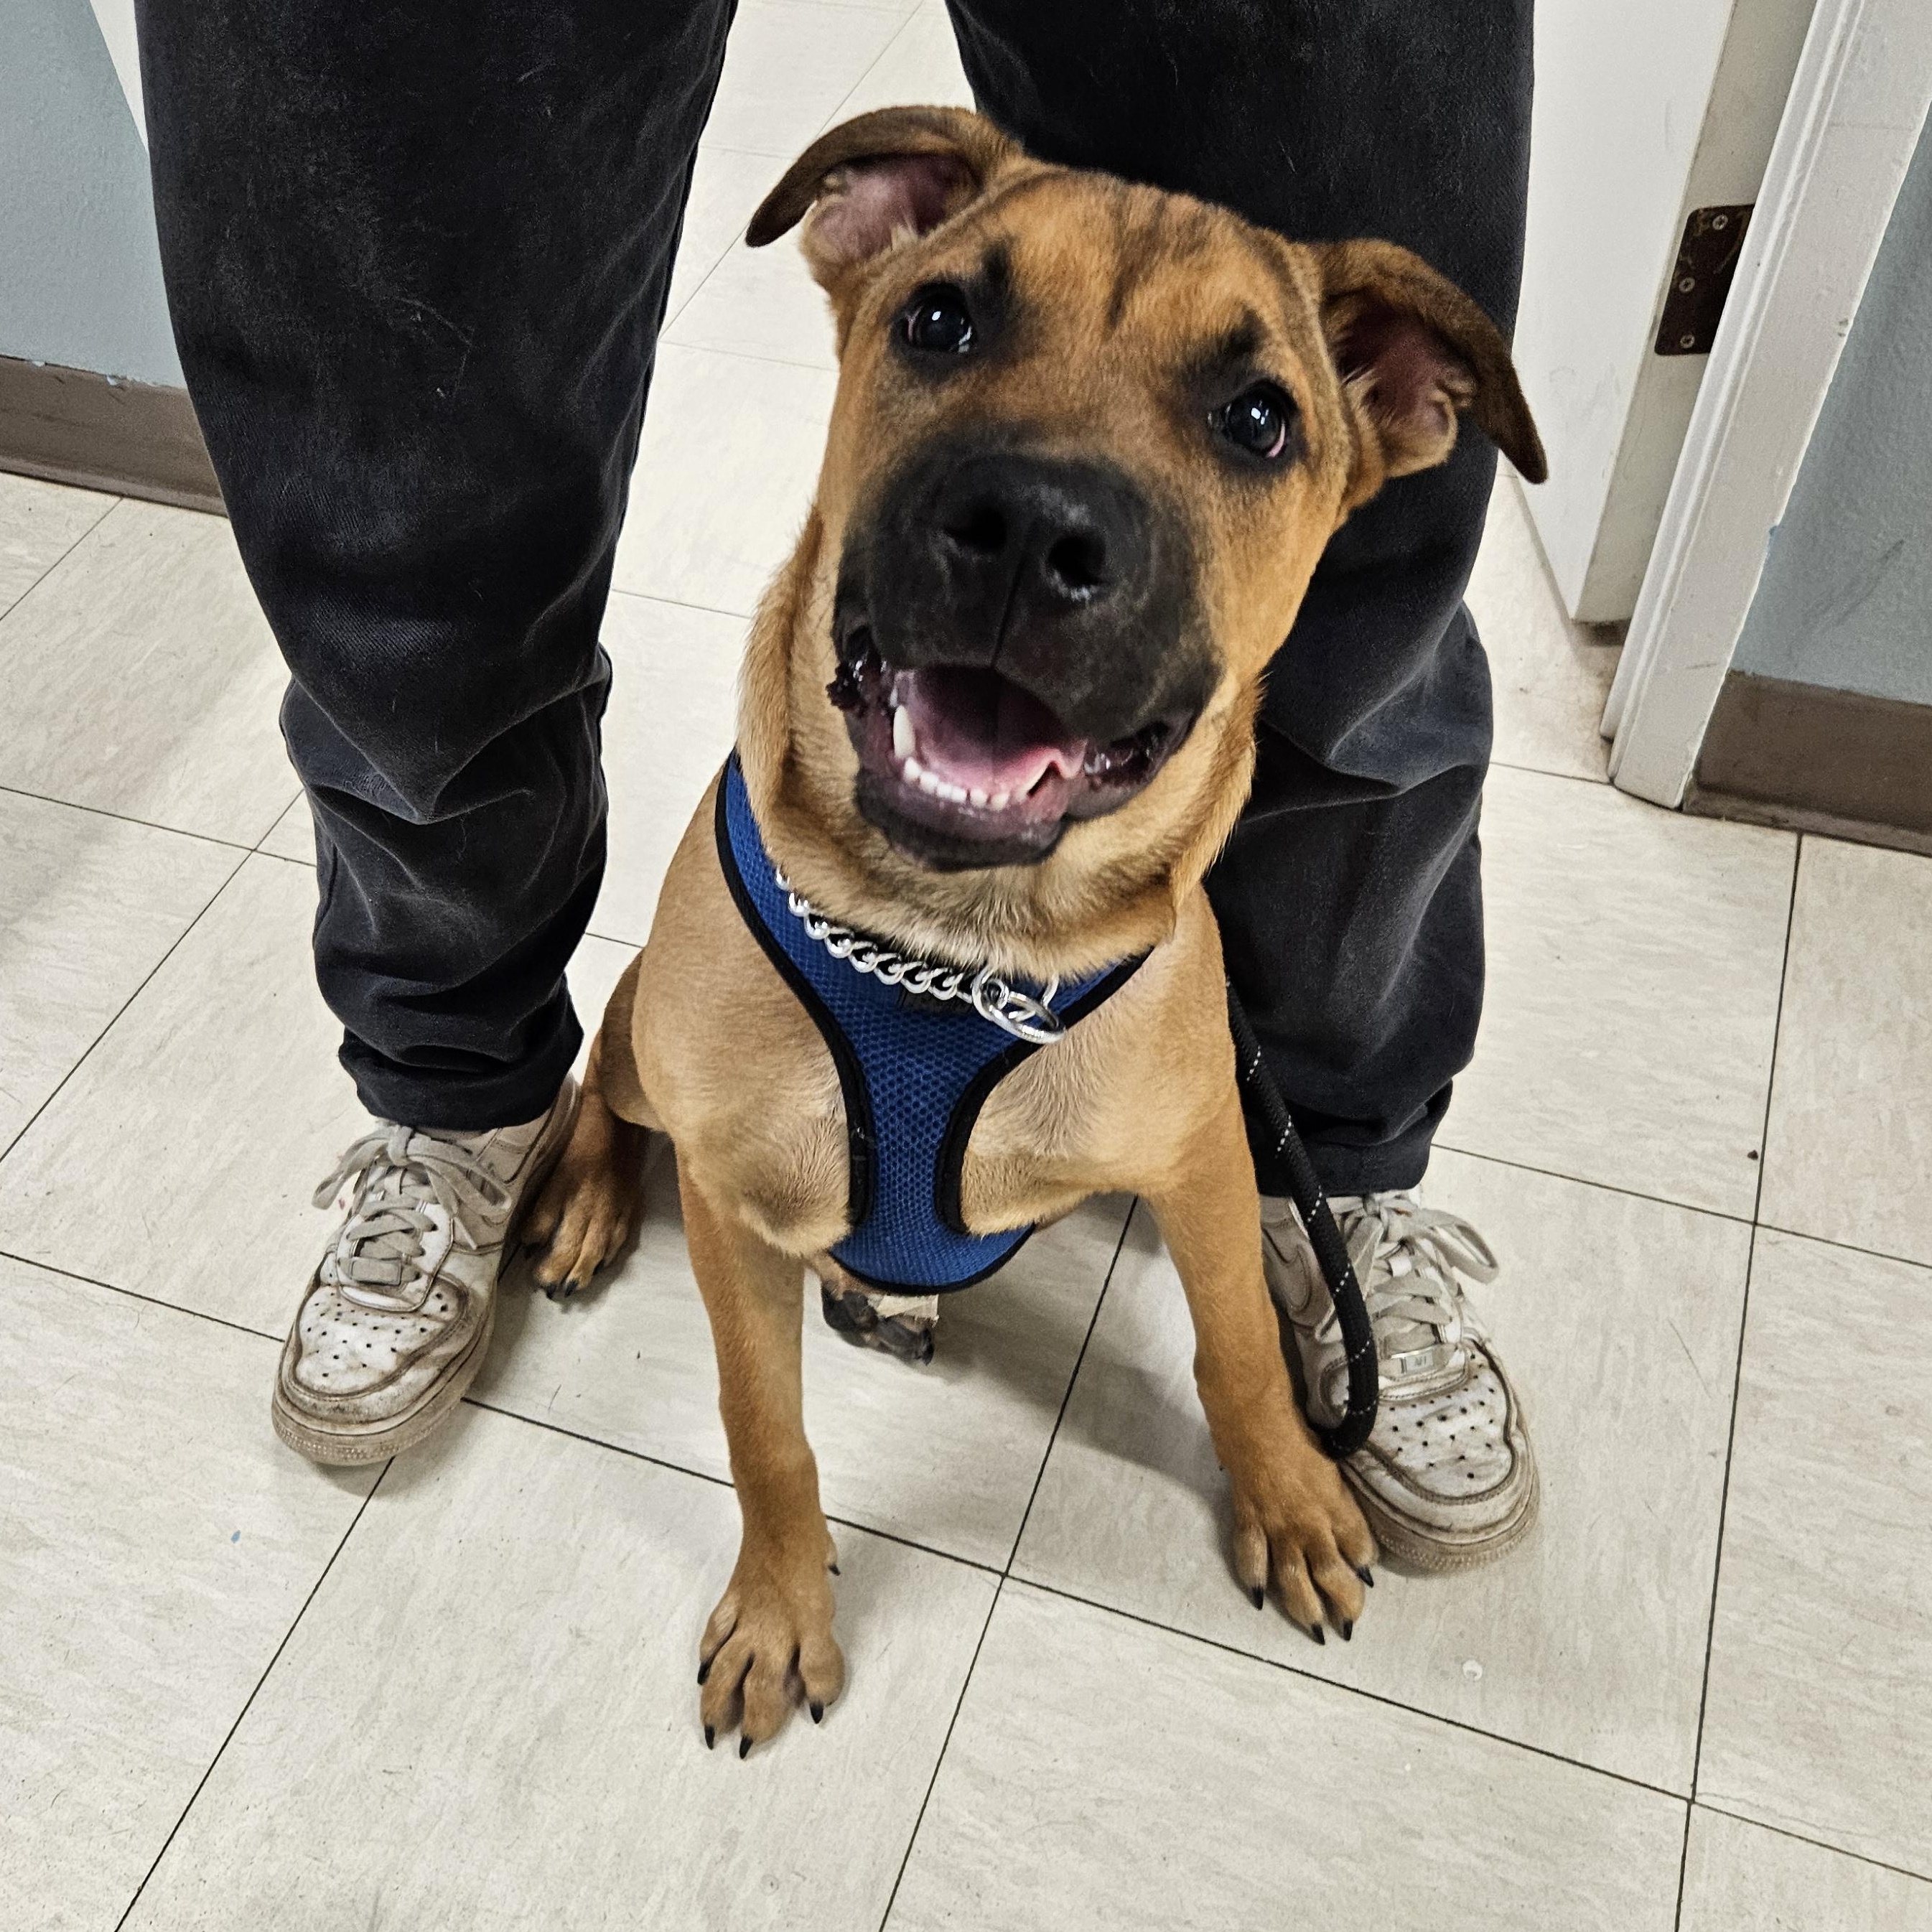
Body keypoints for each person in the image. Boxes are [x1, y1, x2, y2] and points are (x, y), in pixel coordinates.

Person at [137, 0, 1537, 1567]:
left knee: (1317, 94)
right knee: (406, 365)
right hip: (751, 982)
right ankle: (481, 1091)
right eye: (945, 323)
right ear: (856, 238)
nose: (1042, 501)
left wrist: (1251, 1429)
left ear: (1402, 403)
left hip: (1130, 972)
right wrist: (781, 1528)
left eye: (1251, 415)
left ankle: (1326, 1166)